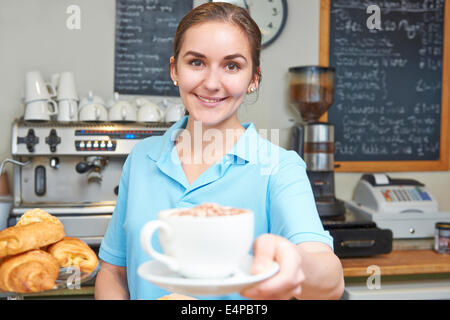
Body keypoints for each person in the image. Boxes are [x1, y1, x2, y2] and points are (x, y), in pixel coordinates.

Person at [95, 2, 344, 300]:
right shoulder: (141, 158)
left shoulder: (279, 166)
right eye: (196, 62)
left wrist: (296, 265)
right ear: (175, 69)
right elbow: (113, 271)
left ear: (253, 79)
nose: (211, 83)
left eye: (232, 66)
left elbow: (328, 276)